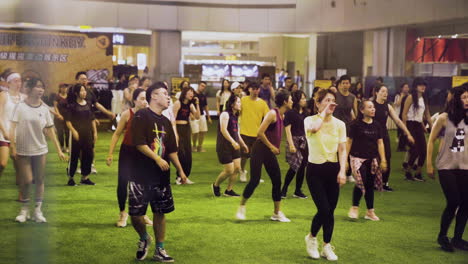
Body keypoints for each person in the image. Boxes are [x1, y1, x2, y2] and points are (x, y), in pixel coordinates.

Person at [129, 82, 188, 261]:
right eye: (164, 93)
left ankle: (160, 249)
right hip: (140, 174)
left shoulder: (166, 122)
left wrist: (181, 171)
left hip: (161, 176)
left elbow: (171, 150)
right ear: (153, 96)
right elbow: (139, 143)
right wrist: (157, 158)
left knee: (160, 211)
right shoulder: (141, 116)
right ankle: (144, 237)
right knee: (136, 214)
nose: (168, 96)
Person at [11, 77, 66, 223]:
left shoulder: (44, 109)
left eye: (42, 87)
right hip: (23, 149)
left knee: (40, 179)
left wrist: (59, 150)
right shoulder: (20, 107)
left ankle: (37, 211)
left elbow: (50, 130)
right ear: (29, 89)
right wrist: (13, 146)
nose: (41, 89)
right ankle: (24, 210)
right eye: (37, 87)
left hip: (40, 149)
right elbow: (12, 127)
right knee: (27, 180)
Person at [303, 89, 347, 261]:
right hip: (315, 170)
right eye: (327, 100)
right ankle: (312, 237)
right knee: (323, 209)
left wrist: (343, 170)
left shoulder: (340, 124)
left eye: (333, 100)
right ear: (318, 103)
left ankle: (327, 246)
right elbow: (314, 129)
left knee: (331, 211)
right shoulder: (309, 120)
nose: (331, 103)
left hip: (333, 169)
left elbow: (343, 149)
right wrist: (323, 114)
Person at [236, 90, 293, 222]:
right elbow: (260, 132)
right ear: (285, 101)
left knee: (277, 180)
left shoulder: (282, 116)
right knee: (255, 180)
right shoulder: (273, 113)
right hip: (260, 149)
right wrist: (272, 146)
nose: (292, 101)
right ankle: (241, 207)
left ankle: (276, 213)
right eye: (290, 99)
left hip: (268, 152)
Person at [427, 84, 468, 252]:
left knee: (466, 203)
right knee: (453, 201)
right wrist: (429, 163)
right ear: (457, 99)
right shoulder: (444, 117)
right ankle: (442, 236)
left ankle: (457, 238)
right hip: (446, 166)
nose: (467, 100)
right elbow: (431, 140)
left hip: (465, 166)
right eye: (464, 97)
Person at [107, 88, 154, 227]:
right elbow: (117, 134)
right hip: (127, 152)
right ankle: (123, 213)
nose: (145, 101)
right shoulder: (127, 114)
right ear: (134, 100)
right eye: (141, 98)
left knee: (143, 184)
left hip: (143, 152)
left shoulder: (150, 115)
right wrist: (110, 153)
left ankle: (142, 213)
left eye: (146, 98)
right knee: (123, 183)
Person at [347, 100, 388, 222]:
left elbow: (380, 143)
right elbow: (349, 142)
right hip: (357, 158)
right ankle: (355, 207)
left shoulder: (377, 125)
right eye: (370, 107)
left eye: (373, 107)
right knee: (361, 181)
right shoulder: (355, 125)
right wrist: (345, 160)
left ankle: (370, 211)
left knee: (370, 184)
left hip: (372, 158)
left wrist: (383, 159)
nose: (373, 109)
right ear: (362, 110)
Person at [373, 84, 415, 191]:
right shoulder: (371, 105)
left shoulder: (388, 106)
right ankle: (372, 183)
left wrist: (408, 133)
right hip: (371, 136)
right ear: (376, 92)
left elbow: (398, 121)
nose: (385, 94)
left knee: (387, 158)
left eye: (386, 91)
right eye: (382, 91)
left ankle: (384, 183)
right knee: (372, 160)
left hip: (384, 136)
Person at [212, 94, 248, 197]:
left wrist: (243, 144)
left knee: (237, 168)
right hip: (224, 146)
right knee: (229, 170)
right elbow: (223, 130)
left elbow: (237, 132)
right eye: (238, 102)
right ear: (232, 104)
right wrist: (232, 142)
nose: (240, 104)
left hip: (235, 145)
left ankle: (229, 190)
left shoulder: (236, 116)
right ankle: (216, 185)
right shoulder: (225, 114)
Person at [65, 84, 97, 186]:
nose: (84, 92)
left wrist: (95, 132)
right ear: (76, 93)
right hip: (76, 134)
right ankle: (71, 178)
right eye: (82, 91)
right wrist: (73, 131)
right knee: (74, 155)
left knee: (88, 155)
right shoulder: (72, 106)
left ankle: (85, 178)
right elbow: (68, 121)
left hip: (87, 134)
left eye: (85, 90)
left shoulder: (88, 104)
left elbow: (92, 119)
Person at [402, 77, 433, 181]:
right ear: (415, 87)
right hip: (410, 125)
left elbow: (427, 115)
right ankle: (408, 172)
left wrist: (432, 127)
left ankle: (418, 174)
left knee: (424, 151)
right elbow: (404, 114)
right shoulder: (410, 97)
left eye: (424, 85)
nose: (423, 87)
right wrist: (405, 130)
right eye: (421, 85)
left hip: (419, 125)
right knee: (415, 150)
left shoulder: (424, 98)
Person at [238, 82, 270, 183]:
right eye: (253, 89)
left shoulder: (262, 103)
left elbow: (268, 116)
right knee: (244, 156)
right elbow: (237, 111)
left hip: (257, 134)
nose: (256, 91)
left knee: (256, 157)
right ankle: (242, 171)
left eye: (257, 89)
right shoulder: (243, 100)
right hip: (244, 132)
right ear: (249, 90)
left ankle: (255, 176)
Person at [281, 90, 308, 199]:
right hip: (294, 140)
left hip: (304, 142)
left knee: (302, 167)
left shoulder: (307, 113)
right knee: (294, 166)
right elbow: (288, 130)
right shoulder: (290, 113)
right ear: (297, 100)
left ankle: (298, 190)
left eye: (305, 98)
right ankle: (284, 189)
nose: (304, 100)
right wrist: (291, 144)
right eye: (302, 98)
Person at [0, 72, 25, 180]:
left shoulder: (24, 97)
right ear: (8, 83)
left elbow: (41, 104)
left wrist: (55, 113)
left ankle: (22, 196)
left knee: (19, 166)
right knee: (2, 163)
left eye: (20, 81)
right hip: (3, 134)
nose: (18, 83)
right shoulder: (3, 95)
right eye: (15, 81)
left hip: (18, 135)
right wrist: (4, 131)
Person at [173, 87, 200, 184]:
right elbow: (173, 119)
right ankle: (179, 176)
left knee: (188, 154)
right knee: (181, 154)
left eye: (192, 92)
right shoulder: (178, 103)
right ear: (184, 93)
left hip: (186, 129)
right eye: (190, 92)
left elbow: (197, 116)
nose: (192, 94)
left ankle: (185, 176)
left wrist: (197, 104)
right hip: (178, 129)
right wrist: (175, 133)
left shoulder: (190, 105)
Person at [334, 75, 358, 182]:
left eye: (347, 83)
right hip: (334, 126)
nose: (345, 85)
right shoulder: (334, 96)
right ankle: (334, 172)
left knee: (346, 150)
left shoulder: (353, 97)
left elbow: (356, 114)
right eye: (343, 83)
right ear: (340, 84)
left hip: (347, 127)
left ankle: (348, 173)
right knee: (334, 150)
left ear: (350, 84)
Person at [190, 81, 211, 153]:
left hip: (202, 115)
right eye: (202, 86)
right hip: (194, 115)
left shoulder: (203, 96)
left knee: (203, 131)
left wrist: (208, 117)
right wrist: (191, 114)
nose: (203, 88)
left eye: (204, 86)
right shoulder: (193, 94)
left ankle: (200, 146)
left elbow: (206, 106)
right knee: (195, 132)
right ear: (198, 85)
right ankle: (194, 146)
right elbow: (188, 105)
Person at [53, 83, 70, 153]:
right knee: (60, 133)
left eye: (65, 87)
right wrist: (59, 115)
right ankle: (62, 147)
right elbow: (55, 106)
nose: (64, 89)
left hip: (67, 117)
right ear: (60, 88)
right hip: (58, 118)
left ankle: (68, 147)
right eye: (62, 87)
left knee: (67, 133)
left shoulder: (69, 96)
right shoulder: (57, 96)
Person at [394, 83, 410, 151]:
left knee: (406, 130)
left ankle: (404, 145)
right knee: (401, 131)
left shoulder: (409, 96)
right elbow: (397, 104)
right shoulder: (398, 95)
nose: (406, 89)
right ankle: (400, 147)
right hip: (399, 115)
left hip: (407, 115)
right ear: (402, 88)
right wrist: (401, 96)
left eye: (407, 87)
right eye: (405, 87)